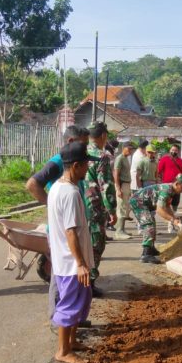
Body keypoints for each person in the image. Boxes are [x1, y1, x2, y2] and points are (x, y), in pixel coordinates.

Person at [47, 141, 98, 363]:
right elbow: (70, 232)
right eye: (86, 164)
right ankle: (63, 350)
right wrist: (80, 263)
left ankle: (73, 341)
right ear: (76, 165)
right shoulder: (68, 193)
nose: (88, 168)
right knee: (69, 305)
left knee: (81, 301)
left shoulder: (59, 187)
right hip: (70, 263)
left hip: (72, 260)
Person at [84, 122, 117, 297]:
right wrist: (112, 209)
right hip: (94, 205)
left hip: (77, 203)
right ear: (103, 136)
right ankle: (89, 282)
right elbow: (106, 185)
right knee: (97, 243)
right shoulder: (101, 156)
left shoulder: (79, 150)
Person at [129, 174, 182, 264]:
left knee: (152, 223)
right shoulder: (166, 190)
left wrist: (173, 217)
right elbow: (159, 210)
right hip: (138, 202)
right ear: (177, 183)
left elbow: (167, 206)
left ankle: (151, 248)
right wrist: (172, 220)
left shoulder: (171, 191)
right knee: (148, 225)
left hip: (144, 203)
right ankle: (145, 254)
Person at [158, 144, 182, 233]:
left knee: (175, 205)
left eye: (176, 150)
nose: (174, 152)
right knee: (165, 205)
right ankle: (170, 223)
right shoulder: (164, 159)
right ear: (170, 150)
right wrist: (159, 181)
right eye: (172, 150)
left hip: (177, 187)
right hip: (167, 186)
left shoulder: (180, 160)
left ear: (178, 152)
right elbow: (158, 171)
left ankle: (172, 224)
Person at [113, 143, 134, 240]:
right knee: (121, 208)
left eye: (132, 149)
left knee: (125, 207)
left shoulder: (125, 158)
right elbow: (116, 173)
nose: (131, 151)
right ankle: (119, 231)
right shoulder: (119, 158)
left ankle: (122, 229)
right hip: (121, 184)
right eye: (129, 148)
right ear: (123, 148)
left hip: (126, 184)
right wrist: (118, 188)